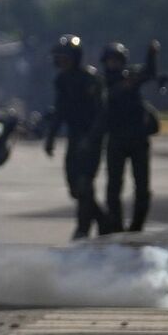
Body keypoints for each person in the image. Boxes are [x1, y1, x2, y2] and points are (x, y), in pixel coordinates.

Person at [43, 35, 106, 239]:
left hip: (91, 137)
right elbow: (61, 110)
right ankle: (104, 220)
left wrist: (92, 138)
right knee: (74, 185)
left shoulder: (90, 79)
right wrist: (51, 137)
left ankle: (83, 228)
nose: (61, 61)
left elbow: (100, 113)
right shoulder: (61, 80)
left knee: (84, 182)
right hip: (74, 136)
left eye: (65, 57)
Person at [100, 40, 160, 233]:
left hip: (138, 139)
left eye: (116, 60)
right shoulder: (102, 83)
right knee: (114, 186)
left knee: (142, 186)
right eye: (110, 61)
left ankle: (137, 225)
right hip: (116, 139)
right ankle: (115, 224)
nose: (113, 64)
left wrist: (151, 54)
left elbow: (149, 72)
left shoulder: (132, 76)